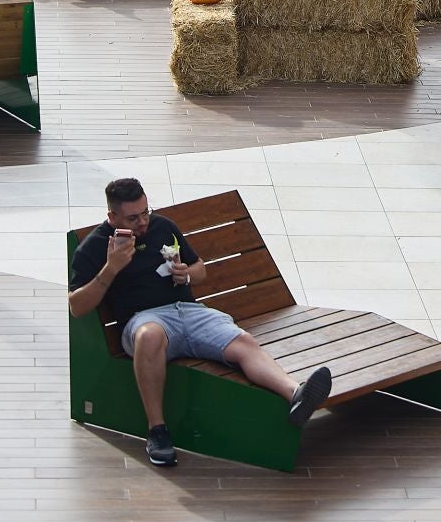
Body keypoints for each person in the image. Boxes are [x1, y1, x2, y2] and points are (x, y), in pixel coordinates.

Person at [68, 178, 334, 468]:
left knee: (242, 341)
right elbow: (76, 306)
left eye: (146, 212)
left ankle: (295, 394)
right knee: (150, 336)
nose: (143, 222)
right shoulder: (95, 247)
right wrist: (111, 268)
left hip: (189, 311)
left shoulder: (163, 226)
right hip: (145, 319)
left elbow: (201, 269)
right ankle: (157, 432)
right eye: (133, 218)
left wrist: (187, 274)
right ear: (112, 217)